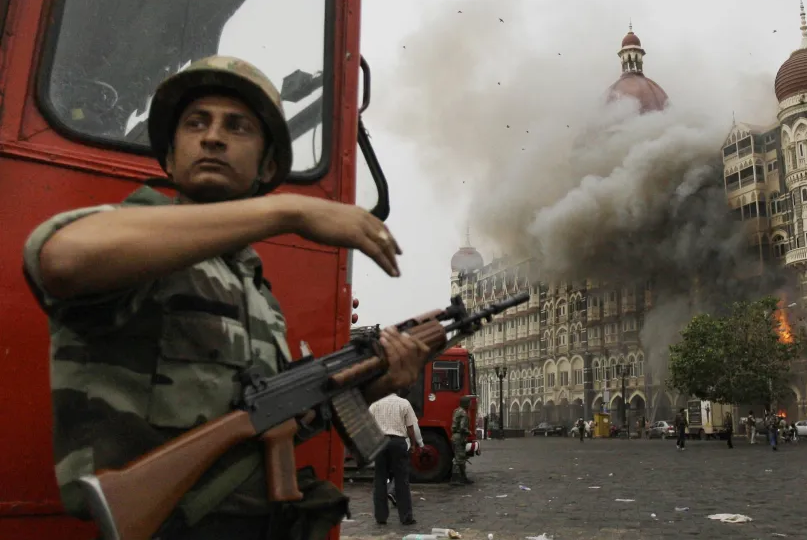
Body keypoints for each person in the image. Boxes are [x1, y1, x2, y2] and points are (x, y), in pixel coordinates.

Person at [21, 56, 432, 540]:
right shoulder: (134, 244)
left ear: (268, 164)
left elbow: (277, 423)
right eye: (196, 123)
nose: (212, 137)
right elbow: (61, 258)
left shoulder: (257, 293)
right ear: (170, 157)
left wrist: (378, 381)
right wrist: (290, 211)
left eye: (237, 126)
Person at [369, 391, 422, 526]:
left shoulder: (375, 404)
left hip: (380, 442)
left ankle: (381, 517)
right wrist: (413, 444)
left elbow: (368, 425)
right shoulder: (404, 403)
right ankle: (406, 517)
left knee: (380, 480)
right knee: (401, 480)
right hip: (398, 443)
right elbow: (410, 427)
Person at [450, 396, 473, 485]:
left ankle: (463, 478)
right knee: (458, 459)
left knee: (460, 457)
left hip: (455, 436)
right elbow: (463, 427)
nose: (470, 404)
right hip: (460, 437)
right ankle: (455, 479)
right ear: (466, 403)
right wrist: (469, 432)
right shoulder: (464, 413)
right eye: (469, 402)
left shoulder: (457, 410)